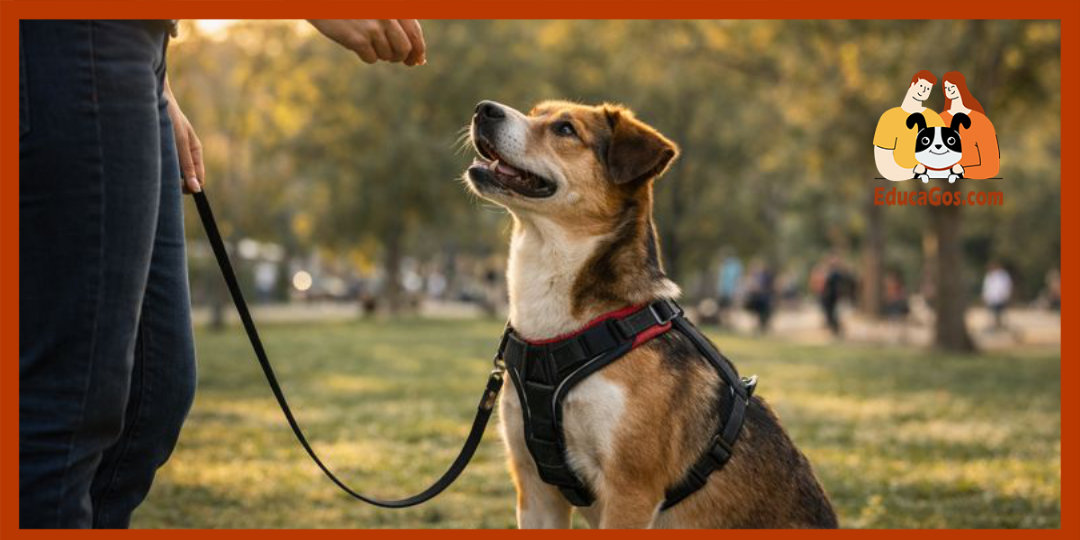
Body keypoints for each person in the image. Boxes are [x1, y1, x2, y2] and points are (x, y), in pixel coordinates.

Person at [19, 19, 426, 529]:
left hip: (134, 47)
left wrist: (160, 85)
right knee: (68, 408)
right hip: (67, 36)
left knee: (154, 396)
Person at [873, 70, 946, 181]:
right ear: (912, 85)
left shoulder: (934, 118)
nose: (923, 91)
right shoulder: (889, 118)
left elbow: (943, 157)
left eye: (927, 89)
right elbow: (884, 165)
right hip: (899, 184)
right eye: (921, 86)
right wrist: (913, 172)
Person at [939, 71, 1000, 179]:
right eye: (947, 88)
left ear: (961, 87)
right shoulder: (940, 120)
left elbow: (991, 166)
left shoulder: (981, 122)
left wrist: (963, 170)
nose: (950, 91)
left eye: (953, 87)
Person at [982, 261, 1013, 331]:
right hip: (992, 298)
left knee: (1000, 312)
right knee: (992, 313)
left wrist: (1005, 295)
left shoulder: (1003, 275)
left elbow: (1007, 286)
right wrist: (985, 296)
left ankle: (1000, 326)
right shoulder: (989, 275)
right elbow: (986, 287)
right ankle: (994, 326)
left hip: (1000, 297)